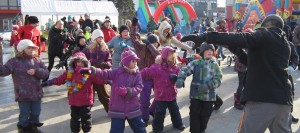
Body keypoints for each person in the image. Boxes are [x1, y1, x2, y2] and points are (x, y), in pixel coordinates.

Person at [182, 14, 294, 133]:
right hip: (284, 102)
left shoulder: (265, 34)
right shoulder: (285, 43)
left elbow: (240, 37)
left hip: (262, 99)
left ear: (267, 25)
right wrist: (238, 53)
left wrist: (205, 36)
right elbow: (258, 65)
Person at [80, 48, 146, 133]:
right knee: (116, 130)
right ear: (126, 62)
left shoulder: (137, 74)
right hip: (117, 108)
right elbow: (104, 73)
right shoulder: (117, 72)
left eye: (136, 61)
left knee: (140, 129)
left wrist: (128, 91)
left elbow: (139, 86)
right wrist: (94, 70)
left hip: (133, 108)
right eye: (133, 61)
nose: (135, 63)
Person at [42, 52, 105, 133]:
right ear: (74, 62)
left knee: (86, 116)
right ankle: (75, 130)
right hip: (74, 100)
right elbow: (60, 79)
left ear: (86, 63)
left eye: (82, 62)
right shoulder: (69, 72)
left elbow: (98, 79)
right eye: (78, 62)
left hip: (86, 100)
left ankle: (87, 130)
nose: (80, 64)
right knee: (75, 117)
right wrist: (50, 82)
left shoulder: (88, 73)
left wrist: (107, 80)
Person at [0, 39, 49, 132]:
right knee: (24, 113)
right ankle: (22, 128)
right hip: (23, 94)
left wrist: (36, 71)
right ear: (22, 49)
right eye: (29, 48)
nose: (32, 50)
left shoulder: (37, 60)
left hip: (36, 92)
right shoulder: (13, 62)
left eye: (33, 48)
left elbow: (46, 73)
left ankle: (33, 126)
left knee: (36, 112)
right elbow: (4, 71)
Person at [176, 42, 222, 133]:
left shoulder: (215, 65)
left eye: (211, 50)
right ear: (202, 51)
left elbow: (219, 79)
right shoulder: (195, 63)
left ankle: (201, 130)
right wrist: (181, 78)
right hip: (195, 95)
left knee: (205, 116)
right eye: (207, 50)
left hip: (209, 97)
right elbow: (185, 70)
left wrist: (208, 86)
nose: (210, 51)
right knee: (194, 114)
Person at [141, 46, 186, 133]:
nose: (172, 56)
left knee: (175, 110)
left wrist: (179, 78)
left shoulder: (175, 67)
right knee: (160, 113)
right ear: (165, 56)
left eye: (173, 54)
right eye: (170, 54)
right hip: (161, 96)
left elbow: (181, 75)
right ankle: (157, 129)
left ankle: (178, 124)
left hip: (172, 94)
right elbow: (145, 73)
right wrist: (133, 74)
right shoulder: (156, 67)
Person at [130, 17, 161, 126]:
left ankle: (152, 110)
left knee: (160, 96)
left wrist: (150, 45)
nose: (155, 45)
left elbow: (157, 55)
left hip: (156, 78)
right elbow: (133, 38)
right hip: (144, 78)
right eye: (153, 43)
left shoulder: (158, 51)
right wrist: (133, 26)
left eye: (156, 43)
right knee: (144, 99)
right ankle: (145, 117)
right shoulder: (141, 48)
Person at [82, 29, 111, 113]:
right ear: (94, 38)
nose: (101, 39)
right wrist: (76, 54)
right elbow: (81, 57)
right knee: (89, 97)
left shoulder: (105, 49)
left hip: (100, 75)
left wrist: (104, 64)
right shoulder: (88, 49)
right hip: (89, 76)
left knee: (104, 96)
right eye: (99, 37)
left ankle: (111, 111)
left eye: (102, 37)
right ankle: (85, 114)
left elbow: (109, 61)